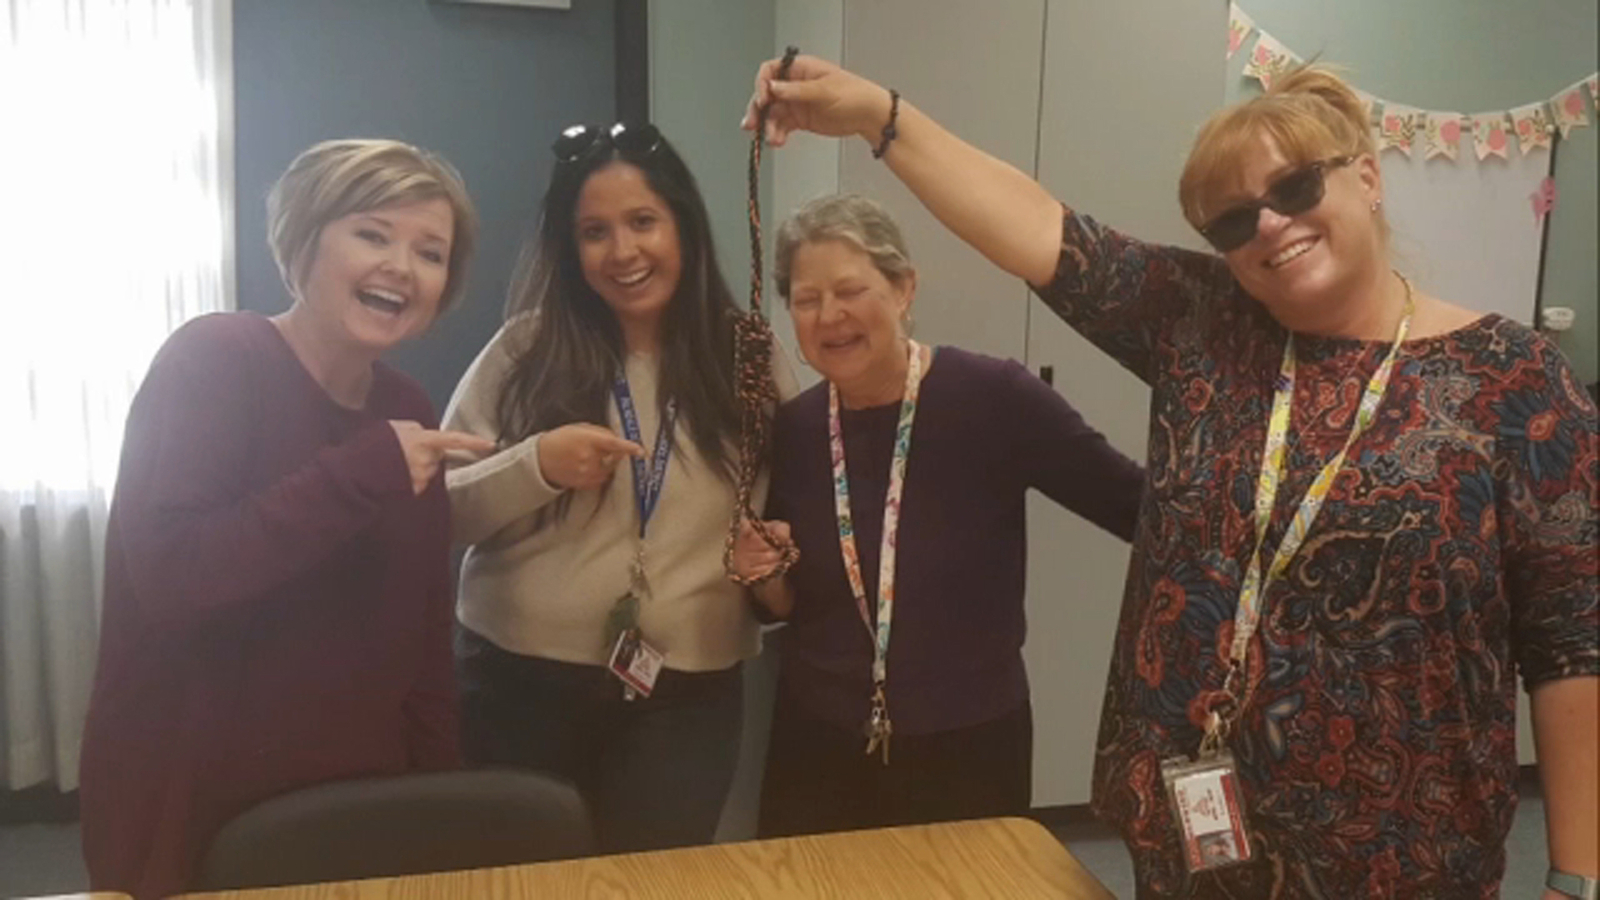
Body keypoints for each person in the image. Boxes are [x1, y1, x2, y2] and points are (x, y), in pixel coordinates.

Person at [743, 58, 1599, 899]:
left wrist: (1576, 872)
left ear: (1367, 177)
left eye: (1295, 188)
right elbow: (1043, 229)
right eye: (1232, 221)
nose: (1267, 225)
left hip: (1401, 853)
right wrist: (879, 118)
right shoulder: (1202, 324)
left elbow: (1573, 646)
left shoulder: (1512, 380)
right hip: (1194, 835)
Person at [79, 139, 491, 898]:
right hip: (192, 810)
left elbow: (423, 634)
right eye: (372, 234)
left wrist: (441, 807)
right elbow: (173, 575)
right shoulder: (212, 359)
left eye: (430, 253)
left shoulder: (407, 409)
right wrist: (362, 473)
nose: (402, 266)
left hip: (357, 804)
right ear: (304, 241)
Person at [728, 192, 1144, 837]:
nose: (830, 316)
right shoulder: (794, 429)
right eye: (807, 300)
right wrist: (761, 575)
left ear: (903, 289)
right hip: (819, 741)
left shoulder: (993, 398)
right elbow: (780, 605)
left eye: (850, 289)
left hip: (969, 741)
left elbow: (1135, 507)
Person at [444, 122, 795, 853]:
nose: (624, 252)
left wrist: (774, 565)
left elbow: (790, 525)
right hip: (518, 682)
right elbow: (442, 515)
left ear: (685, 227)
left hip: (687, 692)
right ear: (571, 252)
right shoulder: (524, 350)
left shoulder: (751, 358)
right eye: (594, 232)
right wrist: (535, 466)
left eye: (643, 222)